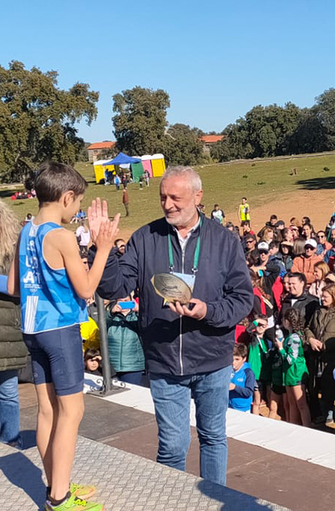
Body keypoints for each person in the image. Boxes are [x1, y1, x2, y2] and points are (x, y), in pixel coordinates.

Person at [90, 166, 253, 486]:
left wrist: (209, 310)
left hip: (212, 360)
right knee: (172, 448)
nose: (168, 204)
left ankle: (213, 502)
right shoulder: (144, 238)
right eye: (163, 197)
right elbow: (113, 288)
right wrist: (103, 249)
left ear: (198, 196)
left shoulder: (224, 241)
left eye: (176, 197)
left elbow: (243, 299)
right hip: (164, 362)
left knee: (213, 438)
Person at [7, 162, 121, 511]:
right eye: (78, 204)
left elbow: (12, 286)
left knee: (46, 412)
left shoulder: (27, 229)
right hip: (60, 330)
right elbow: (87, 288)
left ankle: (58, 482)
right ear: (67, 197)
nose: (78, 212)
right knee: (71, 413)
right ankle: (58, 498)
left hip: (31, 330)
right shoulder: (62, 236)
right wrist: (103, 248)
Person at [304, 284, 335, 424]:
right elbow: (308, 328)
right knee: (318, 387)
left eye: (325, 296)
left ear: (334, 296)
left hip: (334, 358)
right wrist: (311, 339)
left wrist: (327, 345)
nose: (322, 299)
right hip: (317, 358)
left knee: (332, 387)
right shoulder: (319, 310)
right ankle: (323, 414)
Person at [0, 201, 27, 451]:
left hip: (7, 331)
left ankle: (10, 439)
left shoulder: (12, 251)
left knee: (8, 392)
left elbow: (21, 287)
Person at [277, 309, 311, 426]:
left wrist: (281, 348)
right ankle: (293, 427)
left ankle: (307, 429)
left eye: (283, 319)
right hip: (289, 374)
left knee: (301, 404)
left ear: (287, 321)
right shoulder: (290, 336)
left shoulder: (294, 338)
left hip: (296, 373)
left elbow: (291, 359)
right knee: (292, 404)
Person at [106, 296, 147, 386]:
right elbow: (101, 323)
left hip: (133, 367)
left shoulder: (136, 317)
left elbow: (147, 322)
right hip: (112, 366)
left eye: (126, 301)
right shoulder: (111, 318)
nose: (123, 303)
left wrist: (139, 310)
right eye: (120, 301)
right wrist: (111, 312)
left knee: (130, 395)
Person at [229, 343, 255, 412]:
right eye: (232, 359)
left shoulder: (248, 373)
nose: (233, 362)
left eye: (237, 359)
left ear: (244, 359)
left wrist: (234, 387)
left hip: (242, 409)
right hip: (229, 407)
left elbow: (248, 392)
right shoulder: (228, 370)